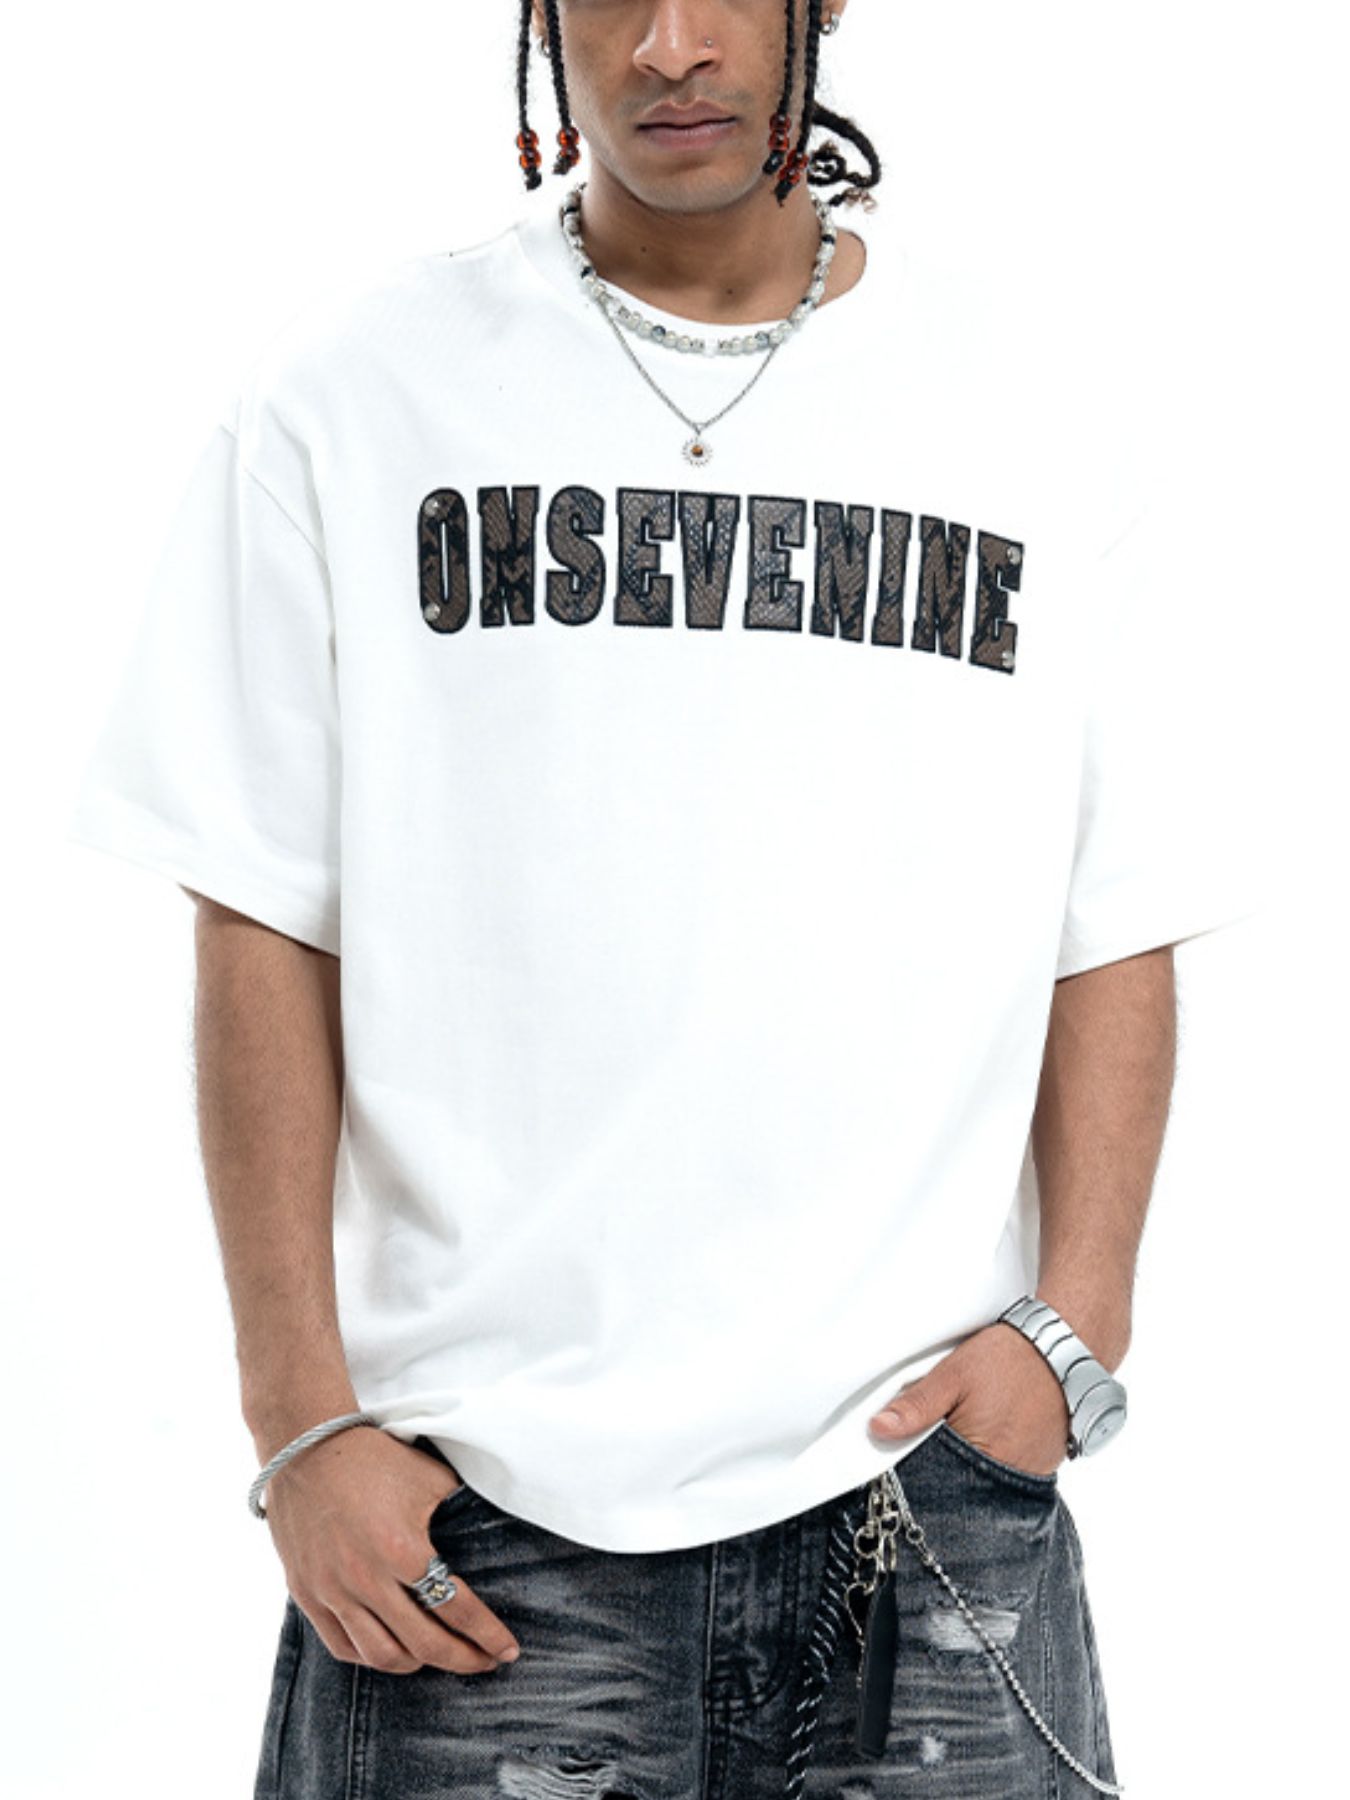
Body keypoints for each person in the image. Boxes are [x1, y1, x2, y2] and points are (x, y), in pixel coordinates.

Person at [65, 2, 1256, 1795]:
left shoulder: (1043, 402)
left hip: (925, 1483)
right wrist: (296, 1419)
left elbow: (1116, 915)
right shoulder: (353, 392)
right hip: (469, 1517)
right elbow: (260, 915)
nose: (669, 45)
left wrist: (1071, 1331)